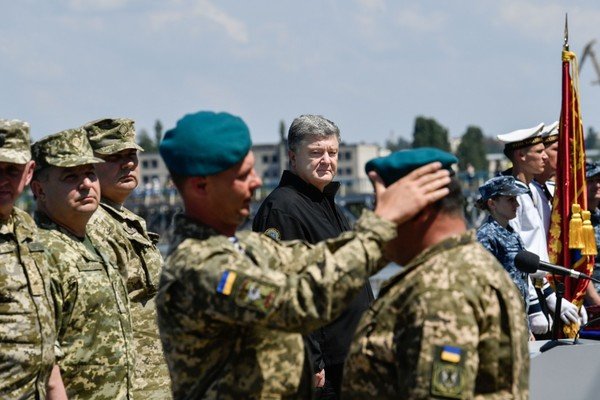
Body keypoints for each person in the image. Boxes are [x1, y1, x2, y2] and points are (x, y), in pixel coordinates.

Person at [155, 111, 451, 399]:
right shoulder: (200, 268)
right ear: (201, 186)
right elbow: (295, 303)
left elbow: (322, 258)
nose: (257, 182)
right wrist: (381, 224)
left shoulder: (244, 247)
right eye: (243, 175)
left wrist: (397, 226)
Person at [342, 148, 530, 399]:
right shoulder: (461, 267)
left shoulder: (442, 290)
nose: (378, 222)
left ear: (417, 210)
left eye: (384, 211)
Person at [252, 114, 371, 399]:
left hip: (351, 356)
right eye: (315, 153)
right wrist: (311, 360)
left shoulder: (324, 201)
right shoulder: (283, 209)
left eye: (332, 152)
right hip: (325, 367)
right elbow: (285, 289)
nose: (326, 160)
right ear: (293, 157)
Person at [30, 128, 135, 399]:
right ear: (39, 190)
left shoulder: (95, 242)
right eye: (71, 176)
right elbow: (42, 357)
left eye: (90, 173)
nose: (86, 184)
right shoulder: (41, 253)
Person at [84, 118, 171, 399]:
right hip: (128, 386)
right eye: (114, 157)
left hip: (153, 381)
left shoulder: (124, 220)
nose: (128, 164)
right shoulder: (95, 225)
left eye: (131, 155)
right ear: (89, 165)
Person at [497, 123, 586, 335]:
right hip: (522, 292)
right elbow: (514, 255)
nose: (544, 156)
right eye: (538, 152)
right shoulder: (510, 197)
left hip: (542, 287)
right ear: (521, 156)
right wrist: (537, 305)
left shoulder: (535, 191)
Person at [0, 119, 65, 398]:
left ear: (28, 174)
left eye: (11, 170)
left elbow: (41, 325)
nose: (2, 180)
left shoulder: (26, 228)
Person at [475, 176, 544, 337]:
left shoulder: (512, 233)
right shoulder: (486, 236)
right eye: (510, 200)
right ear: (492, 204)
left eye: (516, 199)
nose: (517, 205)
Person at [584, 162, 600, 305]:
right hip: (590, 299)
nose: (597, 185)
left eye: (599, 180)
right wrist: (596, 301)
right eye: (590, 181)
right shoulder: (577, 222)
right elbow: (580, 265)